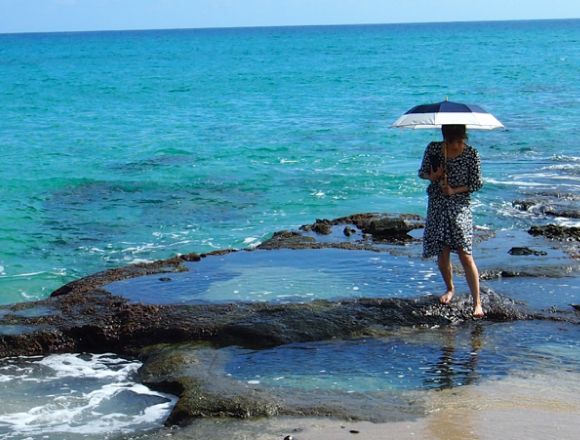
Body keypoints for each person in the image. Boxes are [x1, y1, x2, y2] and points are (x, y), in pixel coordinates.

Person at [418, 124, 484, 317]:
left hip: (459, 204)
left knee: (465, 253)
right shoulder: (433, 148)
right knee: (442, 250)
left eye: (460, 141)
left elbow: (476, 183)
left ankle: (477, 303)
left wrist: (454, 190)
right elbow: (422, 172)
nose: (456, 145)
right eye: (452, 141)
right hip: (437, 204)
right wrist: (434, 177)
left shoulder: (471, 153)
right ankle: (450, 288)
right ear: (445, 138)